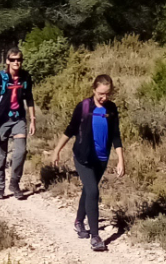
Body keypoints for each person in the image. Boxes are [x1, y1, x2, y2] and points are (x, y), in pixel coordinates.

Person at [52, 73, 125, 250]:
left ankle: (78, 221)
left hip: (101, 158)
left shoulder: (112, 109)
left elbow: (116, 136)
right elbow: (70, 130)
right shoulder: (84, 106)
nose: (104, 97)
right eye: (101, 93)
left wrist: (120, 160)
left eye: (108, 93)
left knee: (88, 190)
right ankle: (95, 237)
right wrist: (56, 151)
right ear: (94, 90)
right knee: (93, 191)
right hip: (83, 157)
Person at [0, 48, 35, 199]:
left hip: (18, 118)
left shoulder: (25, 77)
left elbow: (29, 99)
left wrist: (33, 120)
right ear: (7, 61)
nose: (16, 62)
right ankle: (0, 186)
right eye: (12, 59)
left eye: (18, 59)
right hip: (1, 120)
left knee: (20, 152)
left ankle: (14, 183)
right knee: (1, 156)